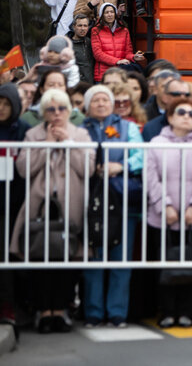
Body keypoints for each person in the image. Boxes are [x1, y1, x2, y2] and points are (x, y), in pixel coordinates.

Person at [11, 89, 95, 333]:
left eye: (61, 109)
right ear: (44, 113)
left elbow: (87, 169)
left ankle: (60, 310)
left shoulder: (80, 134)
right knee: (39, 258)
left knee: (66, 258)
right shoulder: (32, 134)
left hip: (71, 204)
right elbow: (24, 169)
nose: (57, 114)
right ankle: (43, 311)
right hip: (40, 204)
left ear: (69, 111)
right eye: (51, 109)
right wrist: (47, 145)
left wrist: (68, 143)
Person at [147, 96, 192, 329]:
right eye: (181, 113)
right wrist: (164, 205)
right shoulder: (156, 143)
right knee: (164, 264)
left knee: (191, 265)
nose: (187, 117)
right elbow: (151, 177)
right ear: (170, 117)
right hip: (162, 216)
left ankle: (188, 311)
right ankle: (167, 311)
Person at [81, 85, 143, 328]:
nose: (100, 104)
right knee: (94, 257)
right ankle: (93, 313)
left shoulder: (127, 127)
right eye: (95, 100)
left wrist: (122, 166)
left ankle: (117, 312)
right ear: (87, 105)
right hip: (91, 199)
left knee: (120, 258)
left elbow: (141, 155)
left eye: (104, 99)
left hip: (121, 197)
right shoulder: (81, 128)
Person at [0, 84, 31, 331]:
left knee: (11, 257)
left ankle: (12, 306)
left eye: (6, 103)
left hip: (16, 204)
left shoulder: (23, 130)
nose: (1, 109)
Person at [91, 3, 146, 82]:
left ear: (115, 14)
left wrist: (134, 57)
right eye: (106, 12)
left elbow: (128, 53)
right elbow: (98, 54)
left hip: (121, 74)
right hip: (103, 74)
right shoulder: (96, 30)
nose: (110, 15)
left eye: (112, 12)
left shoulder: (124, 30)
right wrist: (117, 61)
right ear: (102, 15)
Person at [20, 69, 85, 127]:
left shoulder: (79, 118)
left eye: (60, 85)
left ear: (65, 89)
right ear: (42, 90)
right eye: (51, 85)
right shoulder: (26, 118)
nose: (56, 88)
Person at [69, 14, 95, 84]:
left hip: (91, 84)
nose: (83, 28)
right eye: (80, 25)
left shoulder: (91, 42)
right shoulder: (68, 46)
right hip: (76, 85)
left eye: (85, 26)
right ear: (74, 27)